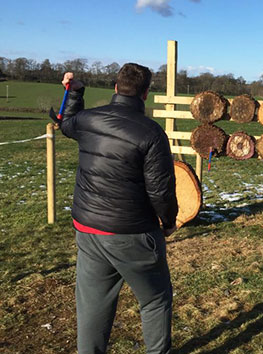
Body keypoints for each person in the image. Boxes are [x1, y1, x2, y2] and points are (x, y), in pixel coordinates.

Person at [54, 63, 178, 354]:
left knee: (92, 307)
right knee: (155, 299)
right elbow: (160, 190)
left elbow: (66, 124)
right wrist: (169, 221)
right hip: (132, 233)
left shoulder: (89, 120)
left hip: (88, 230)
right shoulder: (151, 133)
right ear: (146, 93)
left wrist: (75, 92)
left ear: (115, 87)